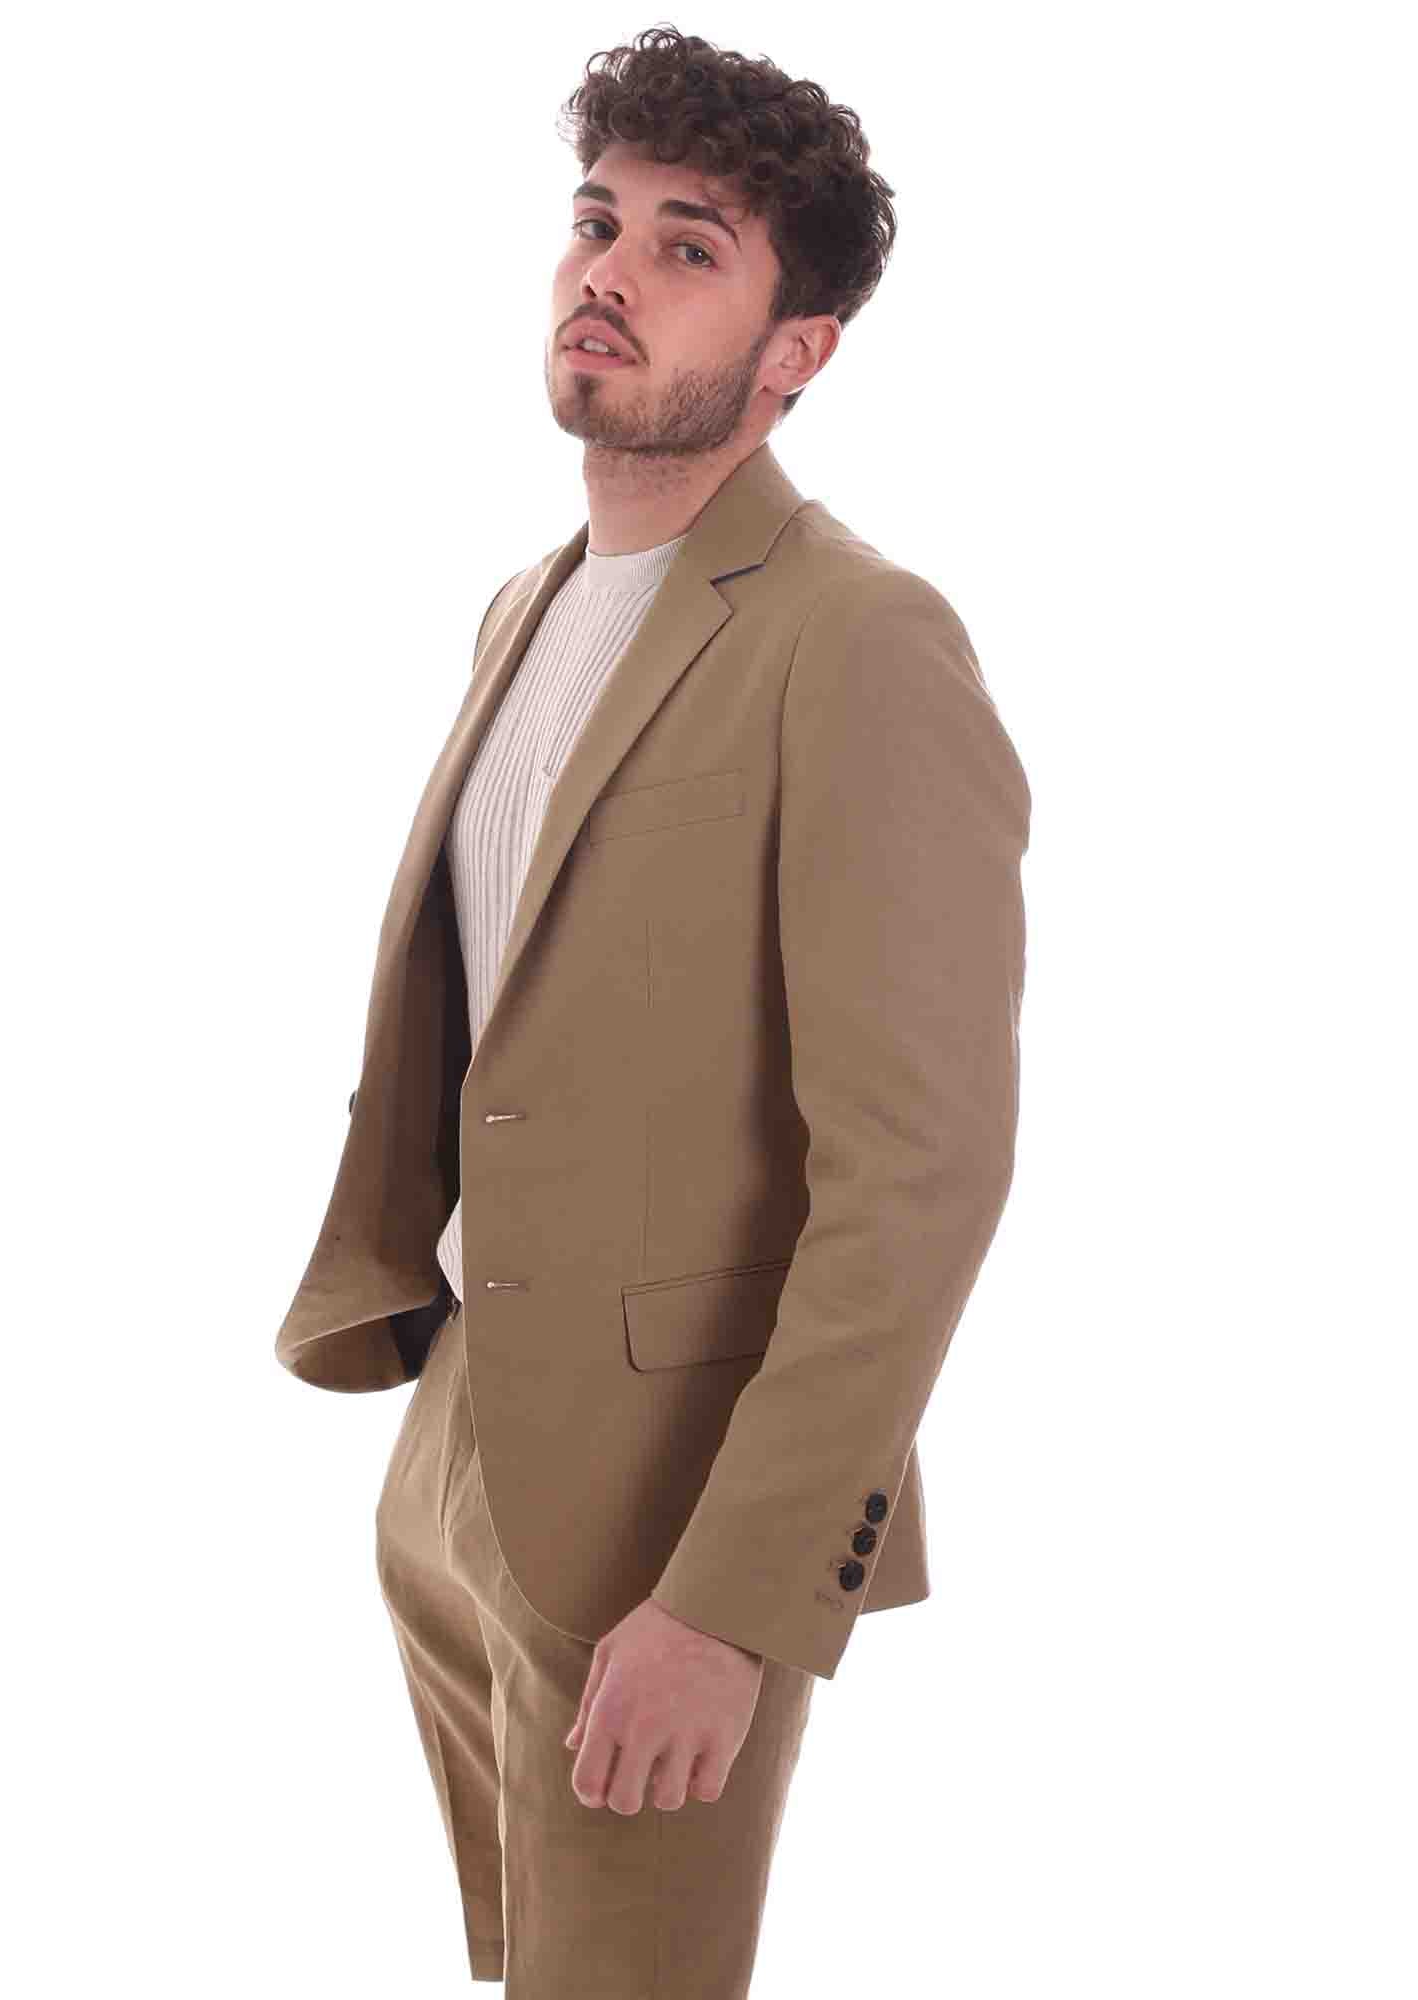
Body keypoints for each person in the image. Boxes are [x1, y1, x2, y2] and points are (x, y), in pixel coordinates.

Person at [274, 24, 1031, 1996]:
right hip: (463, 1447)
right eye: (596, 220)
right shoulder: (527, 606)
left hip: (669, 1507)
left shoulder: (858, 639)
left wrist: (738, 1597)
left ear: (800, 351)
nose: (607, 271)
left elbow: (921, 1173)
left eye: (691, 247)